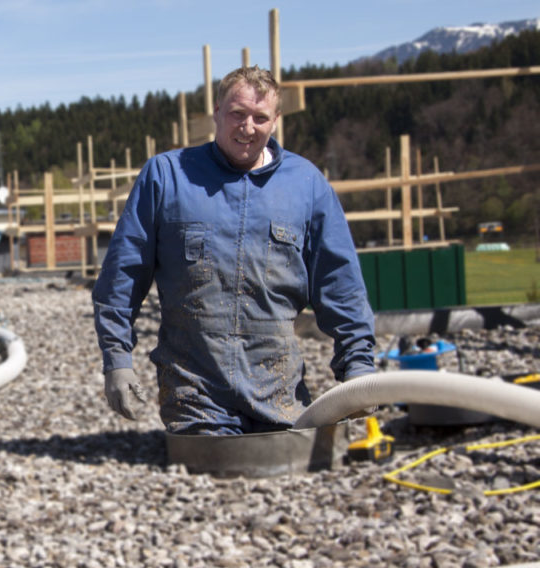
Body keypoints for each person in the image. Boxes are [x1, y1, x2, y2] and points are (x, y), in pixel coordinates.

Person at [92, 66, 376, 435]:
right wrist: (117, 360)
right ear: (217, 113)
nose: (247, 127)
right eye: (237, 114)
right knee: (212, 476)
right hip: (194, 389)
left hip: (278, 387)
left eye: (260, 117)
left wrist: (359, 370)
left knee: (287, 473)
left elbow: (340, 283)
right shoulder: (167, 176)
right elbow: (122, 275)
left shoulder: (306, 185)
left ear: (275, 121)